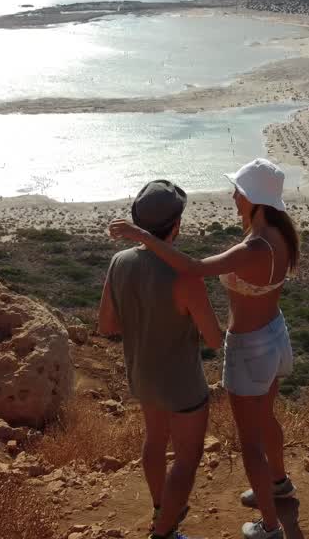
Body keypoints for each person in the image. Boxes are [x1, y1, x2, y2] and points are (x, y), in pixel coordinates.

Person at [110, 158, 300, 539]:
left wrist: (143, 237)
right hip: (275, 335)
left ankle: (270, 526)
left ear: (253, 198)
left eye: (238, 191)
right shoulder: (279, 234)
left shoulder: (253, 247)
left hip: (249, 349)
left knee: (250, 442)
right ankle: (279, 485)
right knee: (266, 419)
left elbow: (195, 267)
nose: (233, 195)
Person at [98, 180, 223, 539]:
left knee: (154, 441)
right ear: (177, 225)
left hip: (143, 377)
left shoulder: (118, 263)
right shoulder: (185, 277)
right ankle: (164, 531)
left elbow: (106, 325)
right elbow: (214, 339)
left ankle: (160, 510)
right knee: (187, 458)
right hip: (182, 385)